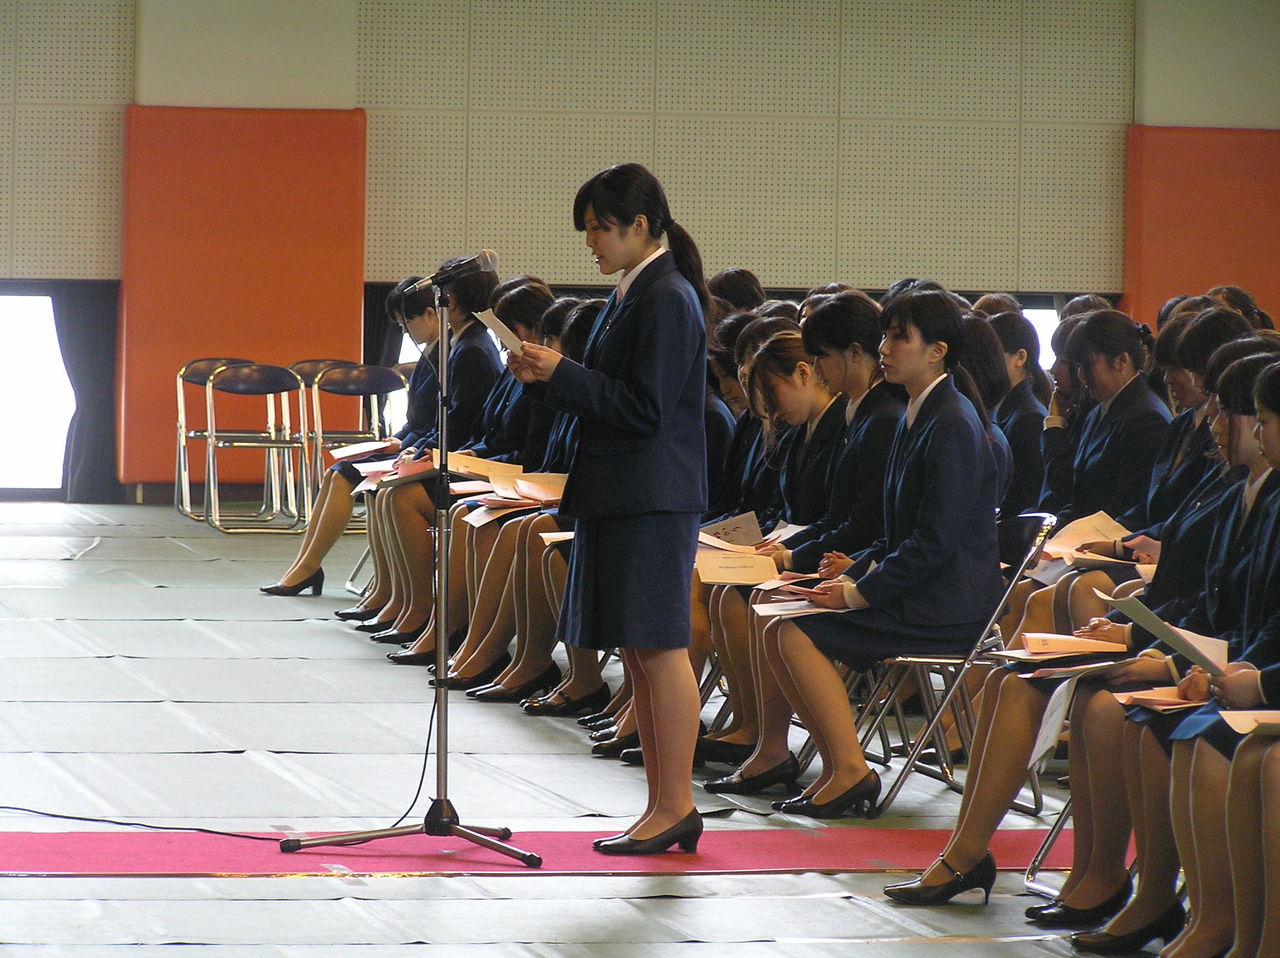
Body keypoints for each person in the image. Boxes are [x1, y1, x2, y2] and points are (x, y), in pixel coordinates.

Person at [508, 163, 708, 856]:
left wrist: (563, 373)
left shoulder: (666, 297)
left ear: (641, 226)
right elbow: (610, 396)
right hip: (626, 490)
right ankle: (661, 804)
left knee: (659, 648)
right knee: (640, 649)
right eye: (587, 228)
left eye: (600, 227)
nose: (590, 240)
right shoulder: (635, 293)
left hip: (652, 494)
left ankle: (676, 804)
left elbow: (645, 408)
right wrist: (545, 379)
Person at [753, 286, 1003, 820]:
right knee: (779, 620)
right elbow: (896, 534)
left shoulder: (951, 422)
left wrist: (858, 592)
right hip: (918, 589)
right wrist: (852, 573)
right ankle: (838, 764)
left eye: (899, 337)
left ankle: (848, 770)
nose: (885, 347)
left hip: (946, 606)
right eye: (885, 335)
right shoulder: (922, 410)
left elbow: (934, 543)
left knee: (793, 631)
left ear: (937, 350)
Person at [260, 277, 436, 599]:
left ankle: (309, 567)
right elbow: (420, 421)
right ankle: (305, 563)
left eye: (405, 323)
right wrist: (397, 439)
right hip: (416, 445)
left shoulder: (451, 356)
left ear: (429, 314)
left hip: (428, 453)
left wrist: (408, 445)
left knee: (344, 477)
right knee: (336, 471)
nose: (405, 332)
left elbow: (445, 424)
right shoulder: (432, 354)